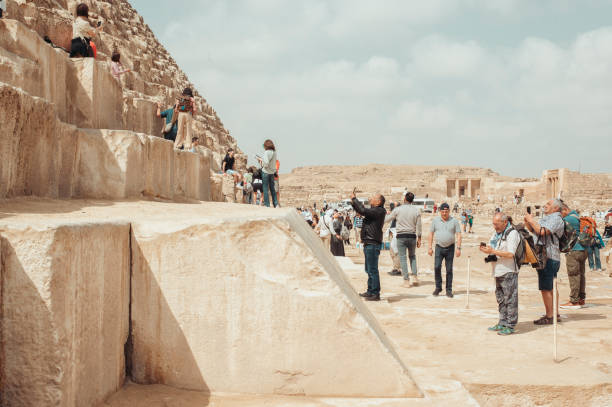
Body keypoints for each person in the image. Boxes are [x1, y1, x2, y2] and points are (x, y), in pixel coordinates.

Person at [524, 199, 565, 325]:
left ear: (555, 208)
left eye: (548, 205)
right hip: (546, 256)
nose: (545, 206)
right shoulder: (548, 217)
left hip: (549, 256)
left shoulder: (556, 218)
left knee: (546, 288)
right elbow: (535, 231)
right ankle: (554, 313)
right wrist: (528, 223)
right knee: (551, 286)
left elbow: (543, 231)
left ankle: (550, 316)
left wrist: (531, 221)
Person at [480, 212, 520, 336]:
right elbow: (493, 247)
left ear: (505, 222)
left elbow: (510, 254)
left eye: (497, 224)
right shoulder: (497, 234)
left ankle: (510, 325)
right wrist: (487, 249)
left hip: (508, 270)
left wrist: (492, 251)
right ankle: (502, 322)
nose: (495, 226)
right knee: (501, 299)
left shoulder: (512, 234)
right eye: (494, 224)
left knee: (510, 299)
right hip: (497, 271)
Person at [351, 192, 386, 301]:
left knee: (372, 270)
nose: (371, 198)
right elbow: (361, 210)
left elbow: (363, 211)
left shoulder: (379, 211)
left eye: (374, 197)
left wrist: (355, 199)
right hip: (369, 242)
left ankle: (375, 293)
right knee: (368, 269)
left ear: (379, 202)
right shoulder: (374, 211)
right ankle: (370, 290)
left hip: (372, 243)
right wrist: (353, 202)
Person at [385, 192, 422, 287]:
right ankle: (415, 277)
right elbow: (419, 226)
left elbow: (387, 219)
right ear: (412, 200)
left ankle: (406, 280)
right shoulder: (416, 211)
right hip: (412, 236)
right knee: (412, 256)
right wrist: (419, 238)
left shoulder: (398, 209)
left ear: (405, 199)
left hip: (401, 236)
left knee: (403, 258)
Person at [428, 203, 462, 297]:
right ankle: (438, 287)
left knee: (449, 269)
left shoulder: (454, 221)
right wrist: (430, 247)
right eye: (442, 211)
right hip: (439, 247)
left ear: (449, 211)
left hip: (450, 247)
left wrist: (458, 248)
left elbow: (459, 234)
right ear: (440, 211)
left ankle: (449, 290)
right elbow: (431, 234)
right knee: (437, 267)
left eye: (446, 211)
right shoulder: (435, 221)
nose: (444, 213)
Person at [559, 204, 588, 309]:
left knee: (574, 275)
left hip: (574, 250)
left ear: (565, 210)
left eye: (561, 213)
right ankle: (581, 299)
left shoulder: (568, 219)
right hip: (583, 250)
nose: (560, 216)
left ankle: (574, 301)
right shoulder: (577, 217)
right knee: (581, 275)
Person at [257, 140, 278, 208]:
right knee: (272, 189)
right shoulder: (274, 153)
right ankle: (276, 204)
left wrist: (260, 160)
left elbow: (265, 164)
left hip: (265, 172)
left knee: (265, 188)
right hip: (272, 172)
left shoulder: (266, 152)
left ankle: (267, 204)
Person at [386, 202, 402, 276]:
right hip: (393, 234)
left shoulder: (398, 214)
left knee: (396, 252)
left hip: (396, 234)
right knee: (392, 252)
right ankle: (395, 267)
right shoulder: (394, 214)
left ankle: (397, 269)